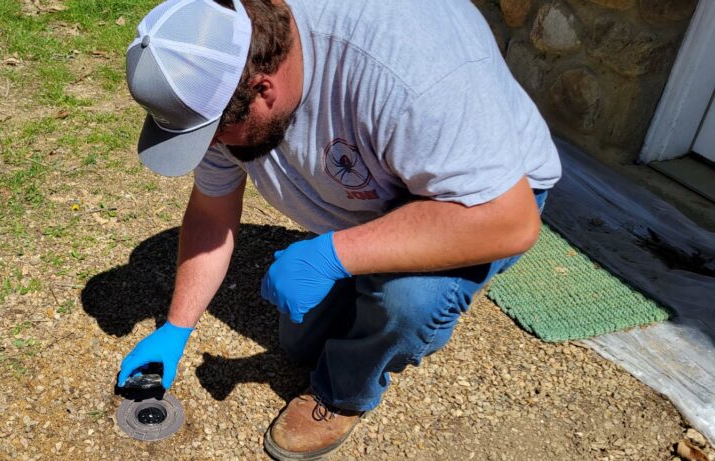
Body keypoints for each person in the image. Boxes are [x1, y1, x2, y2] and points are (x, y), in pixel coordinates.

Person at [117, 0, 561, 458]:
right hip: (388, 184)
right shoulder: (224, 68)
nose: (210, 146)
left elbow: (511, 221)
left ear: (263, 89)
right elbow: (212, 213)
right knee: (300, 344)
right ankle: (359, 265)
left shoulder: (413, 76)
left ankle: (342, 396)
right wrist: (176, 327)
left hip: (476, 199)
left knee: (406, 302)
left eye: (212, 133)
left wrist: (331, 255)